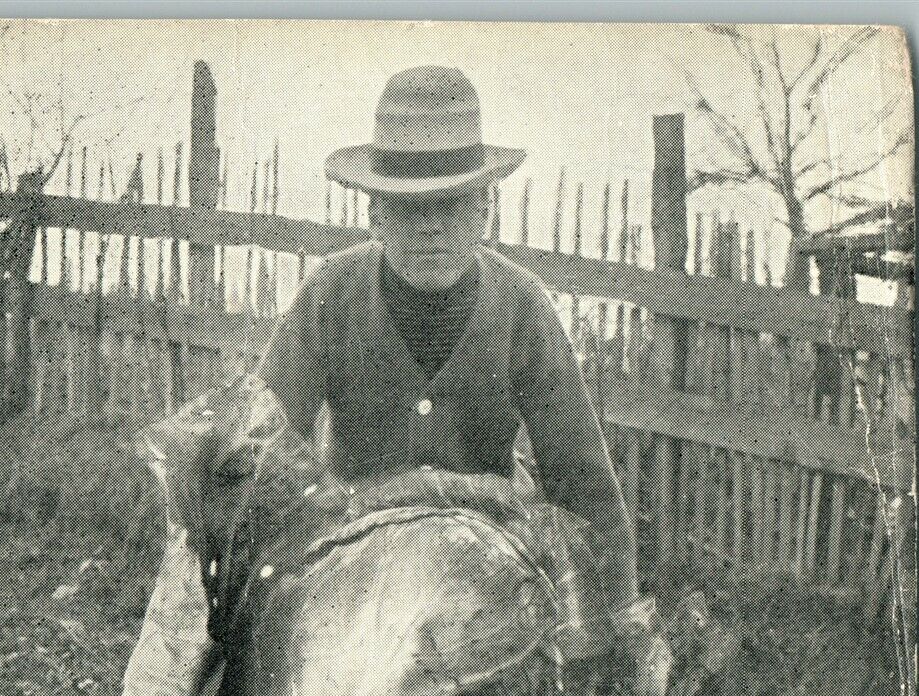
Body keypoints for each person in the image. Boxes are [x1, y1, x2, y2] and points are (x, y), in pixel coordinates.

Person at [260, 63, 639, 619]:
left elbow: (588, 495)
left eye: (453, 203)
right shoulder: (328, 298)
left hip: (486, 586)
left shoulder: (523, 308)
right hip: (353, 579)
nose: (431, 227)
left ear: (485, 207)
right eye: (409, 205)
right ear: (375, 212)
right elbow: (259, 461)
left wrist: (612, 646)